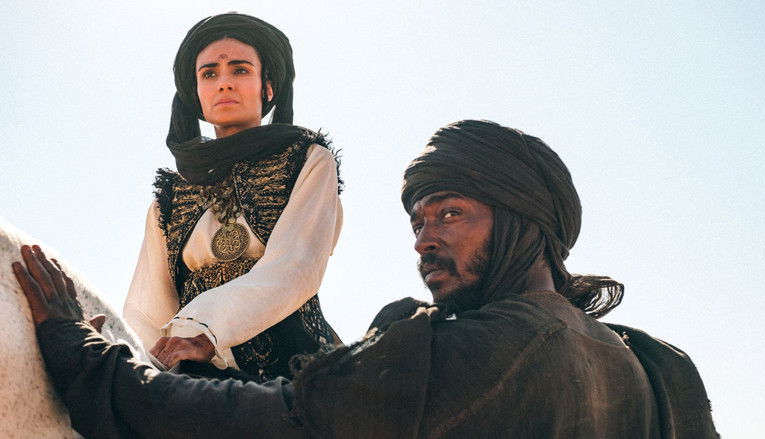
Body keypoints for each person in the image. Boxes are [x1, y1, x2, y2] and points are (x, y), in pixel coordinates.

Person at [13, 120, 719, 438]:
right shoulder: (657, 370)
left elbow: (253, 424)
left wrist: (85, 353)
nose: (425, 238)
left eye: (450, 213)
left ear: (523, 221)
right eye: (418, 220)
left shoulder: (473, 349)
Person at [122, 13, 343, 379]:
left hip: (296, 368)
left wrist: (206, 331)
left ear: (267, 87)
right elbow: (147, 310)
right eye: (209, 74)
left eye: (240, 70)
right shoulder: (169, 199)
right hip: (195, 372)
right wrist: (148, 365)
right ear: (196, 93)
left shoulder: (307, 160)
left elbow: (295, 267)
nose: (224, 83)